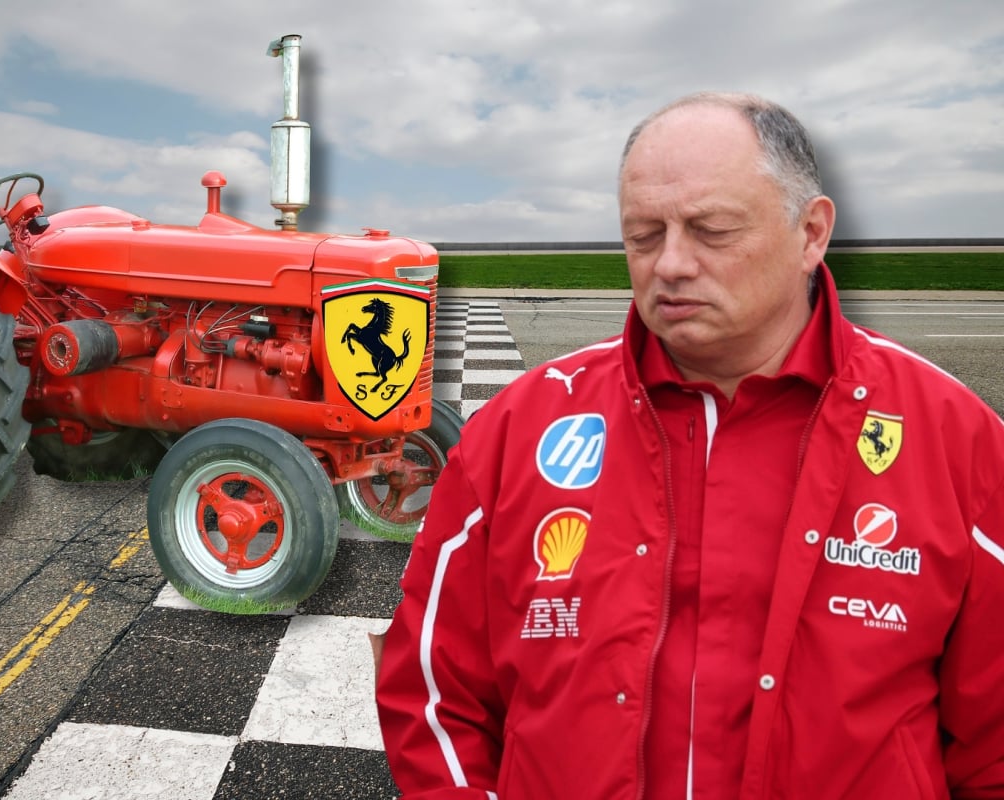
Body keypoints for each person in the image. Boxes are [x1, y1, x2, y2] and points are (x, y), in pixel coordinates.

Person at [374, 92, 1004, 799]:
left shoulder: (954, 436)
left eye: (712, 230)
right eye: (644, 235)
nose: (670, 263)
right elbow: (433, 694)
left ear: (811, 233)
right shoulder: (518, 429)